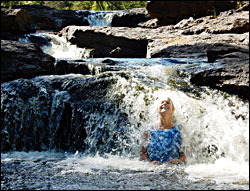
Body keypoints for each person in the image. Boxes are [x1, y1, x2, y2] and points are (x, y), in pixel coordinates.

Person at [140, 98, 186, 164]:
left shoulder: (179, 129)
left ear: (173, 109)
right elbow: (143, 152)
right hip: (153, 169)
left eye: (167, 102)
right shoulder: (149, 129)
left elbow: (185, 153)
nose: (164, 103)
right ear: (157, 109)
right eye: (162, 102)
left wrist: (178, 161)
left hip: (173, 168)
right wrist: (149, 163)